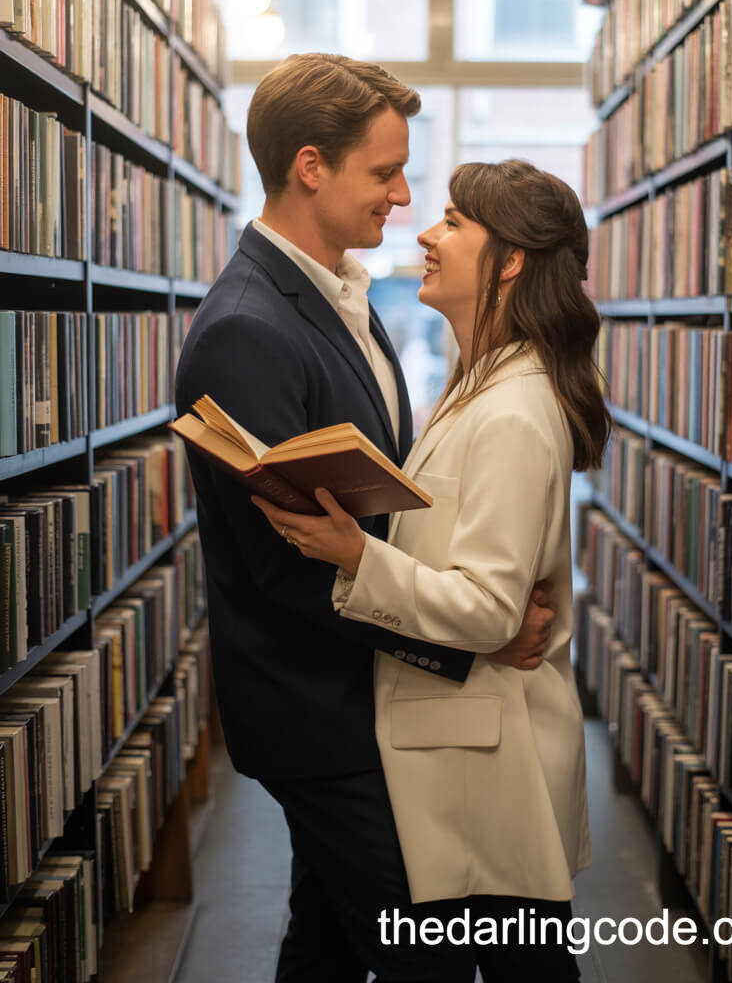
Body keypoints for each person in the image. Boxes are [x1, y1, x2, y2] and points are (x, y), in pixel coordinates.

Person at [174, 56, 555, 983]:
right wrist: (465, 642)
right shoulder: (246, 330)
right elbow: (288, 566)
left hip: (363, 695)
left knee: (330, 945)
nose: (403, 193)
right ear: (312, 166)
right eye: (385, 171)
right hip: (322, 714)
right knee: (426, 958)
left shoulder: (344, 293)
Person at [253, 157, 611, 980]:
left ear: (512, 259)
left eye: (453, 221)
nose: (426, 232)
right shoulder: (478, 381)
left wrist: (356, 555)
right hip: (463, 751)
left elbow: (488, 611)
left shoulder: (515, 411)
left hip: (489, 764)